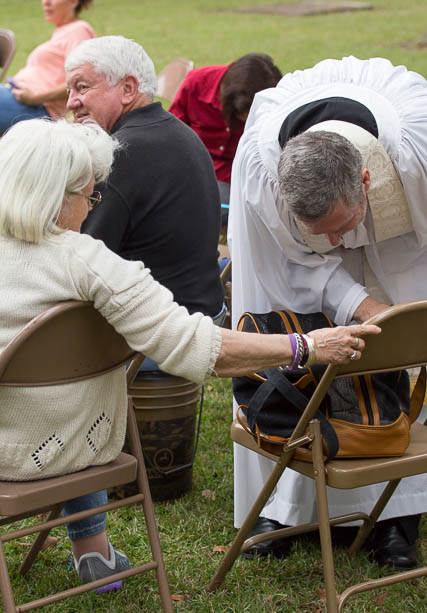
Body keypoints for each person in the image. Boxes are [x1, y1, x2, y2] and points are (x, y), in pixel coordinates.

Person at [0, 118, 379, 590]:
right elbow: (201, 348)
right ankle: (93, 549)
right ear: (57, 197)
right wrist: (307, 345)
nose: (91, 207)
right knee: (77, 399)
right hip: (73, 451)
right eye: (89, 195)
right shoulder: (90, 263)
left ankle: (91, 547)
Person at [229, 55, 427, 569]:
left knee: (411, 343)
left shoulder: (418, 148)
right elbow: (290, 269)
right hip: (293, 260)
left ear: (365, 181)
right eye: (322, 233)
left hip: (411, 237)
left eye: (342, 227)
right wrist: (360, 305)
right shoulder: (263, 170)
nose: (337, 244)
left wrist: (403, 319)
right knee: (299, 342)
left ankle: (399, 518)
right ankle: (288, 506)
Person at [64, 36, 225, 336]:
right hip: (203, 313)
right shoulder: (175, 130)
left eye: (82, 87)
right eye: (69, 90)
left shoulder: (119, 154)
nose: (71, 102)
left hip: (167, 334)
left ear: (128, 89)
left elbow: (80, 262)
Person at [169, 53, 282, 212]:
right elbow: (172, 136)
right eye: (242, 115)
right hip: (193, 173)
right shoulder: (196, 83)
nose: (245, 121)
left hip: (243, 180)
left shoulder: (272, 99)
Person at [0, 0, 95, 134]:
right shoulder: (63, 31)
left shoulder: (79, 30)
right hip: (16, 98)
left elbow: (81, 81)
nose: (46, 2)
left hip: (35, 108)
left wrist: (34, 98)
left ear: (74, 1)